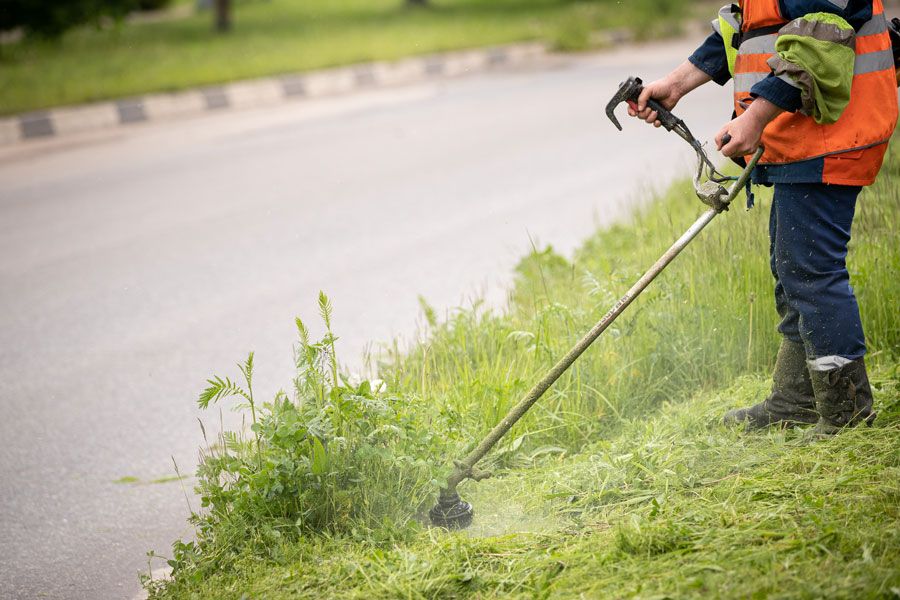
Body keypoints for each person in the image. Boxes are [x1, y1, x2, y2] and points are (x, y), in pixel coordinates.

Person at [628, 0, 897, 435]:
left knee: (811, 271)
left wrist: (754, 117)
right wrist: (675, 84)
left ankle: (846, 414)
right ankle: (797, 398)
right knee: (792, 269)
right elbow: (743, 29)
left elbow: (819, 41)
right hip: (803, 136)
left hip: (830, 135)